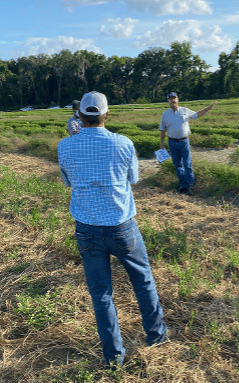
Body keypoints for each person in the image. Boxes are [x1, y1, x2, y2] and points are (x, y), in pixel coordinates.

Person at [59, 91, 167, 367]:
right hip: (121, 225)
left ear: (80, 116)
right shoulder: (123, 143)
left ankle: (113, 357)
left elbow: (67, 182)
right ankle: (157, 338)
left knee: (101, 293)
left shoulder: (65, 146)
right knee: (143, 281)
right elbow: (132, 178)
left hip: (87, 228)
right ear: (106, 115)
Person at [158, 92, 216, 195]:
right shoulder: (165, 114)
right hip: (172, 142)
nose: (173, 100)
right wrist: (161, 144)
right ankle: (183, 186)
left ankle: (191, 186)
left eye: (174, 98)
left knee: (187, 164)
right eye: (170, 99)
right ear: (168, 101)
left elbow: (197, 114)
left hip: (184, 141)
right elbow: (162, 130)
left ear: (178, 99)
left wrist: (208, 108)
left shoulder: (185, 111)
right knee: (177, 164)